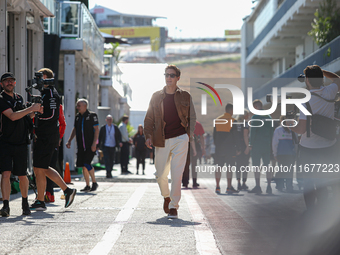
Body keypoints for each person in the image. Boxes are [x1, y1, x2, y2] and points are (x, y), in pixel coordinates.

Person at [144, 64, 196, 219]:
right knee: (160, 174)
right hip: (161, 139)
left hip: (180, 138)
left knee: (177, 173)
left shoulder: (185, 96)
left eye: (172, 75)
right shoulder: (156, 96)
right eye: (166, 75)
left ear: (177, 78)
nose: (169, 78)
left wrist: (189, 135)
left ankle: (174, 206)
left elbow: (192, 117)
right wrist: (148, 135)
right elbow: (149, 118)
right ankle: (166, 196)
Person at [289, 65, 340, 209]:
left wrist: (289, 125)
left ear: (307, 81)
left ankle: (311, 211)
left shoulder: (306, 101)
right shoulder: (330, 92)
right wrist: (322, 72)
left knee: (309, 181)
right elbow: (337, 79)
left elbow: (301, 129)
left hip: (309, 148)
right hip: (329, 146)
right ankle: (323, 210)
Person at [30, 68, 76, 211]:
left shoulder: (51, 94)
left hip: (47, 136)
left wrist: (34, 113)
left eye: (40, 77)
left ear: (46, 78)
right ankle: (43, 199)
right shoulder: (46, 93)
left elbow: (51, 116)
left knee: (40, 167)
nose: (37, 79)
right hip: (45, 135)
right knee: (39, 168)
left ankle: (63, 191)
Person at [0, 72, 42, 216]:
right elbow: (12, 116)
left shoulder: (19, 98)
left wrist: (32, 113)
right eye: (6, 81)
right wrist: (31, 109)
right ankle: (6, 206)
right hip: (5, 142)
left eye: (12, 81)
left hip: (21, 142)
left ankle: (25, 204)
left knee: (22, 175)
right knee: (6, 174)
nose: (9, 83)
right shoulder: (1, 99)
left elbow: (22, 116)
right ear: (2, 84)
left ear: (15, 83)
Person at [66, 99, 99, 192]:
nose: (77, 107)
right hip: (80, 146)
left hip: (90, 145)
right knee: (83, 165)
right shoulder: (77, 117)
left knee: (87, 163)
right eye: (77, 105)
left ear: (85, 106)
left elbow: (96, 130)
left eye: (79, 106)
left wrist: (94, 143)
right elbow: (75, 129)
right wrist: (69, 140)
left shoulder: (92, 115)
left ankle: (94, 182)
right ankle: (87, 185)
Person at [213, 103, 241, 194]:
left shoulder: (217, 120)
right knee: (229, 168)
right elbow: (236, 136)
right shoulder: (233, 121)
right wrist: (238, 148)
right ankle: (229, 187)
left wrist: (217, 146)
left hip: (219, 148)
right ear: (231, 110)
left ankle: (217, 187)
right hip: (230, 148)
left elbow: (214, 135)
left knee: (219, 167)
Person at [248, 99, 274, 194]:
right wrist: (271, 144)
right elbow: (272, 132)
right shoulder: (269, 116)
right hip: (267, 144)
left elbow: (253, 132)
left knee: (256, 166)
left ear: (255, 107)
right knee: (267, 165)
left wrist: (250, 143)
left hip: (256, 145)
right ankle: (269, 186)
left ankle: (258, 186)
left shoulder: (255, 117)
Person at [44, 104, 66, 203]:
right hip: (41, 140)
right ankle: (43, 194)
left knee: (49, 166)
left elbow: (63, 124)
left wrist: (59, 138)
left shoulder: (57, 106)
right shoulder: (38, 104)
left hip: (53, 141)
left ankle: (50, 193)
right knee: (40, 168)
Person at [272, 116, 297, 192]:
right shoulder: (279, 130)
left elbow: (296, 143)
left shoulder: (293, 130)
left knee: (289, 171)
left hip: (290, 154)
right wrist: (275, 154)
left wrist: (295, 153)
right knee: (282, 170)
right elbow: (275, 143)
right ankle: (280, 185)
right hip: (281, 154)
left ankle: (289, 186)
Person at [182, 120, 205, 188]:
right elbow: (201, 137)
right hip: (195, 145)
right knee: (194, 165)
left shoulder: (184, 123)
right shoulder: (198, 124)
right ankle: (194, 182)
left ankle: (185, 182)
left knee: (186, 164)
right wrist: (203, 148)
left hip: (185, 145)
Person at [235, 110, 250, 191]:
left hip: (237, 147)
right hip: (244, 146)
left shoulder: (236, 124)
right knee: (245, 166)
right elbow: (245, 136)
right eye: (247, 115)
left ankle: (238, 182)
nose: (248, 116)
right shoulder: (245, 124)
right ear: (245, 116)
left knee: (238, 166)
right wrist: (247, 147)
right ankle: (244, 183)